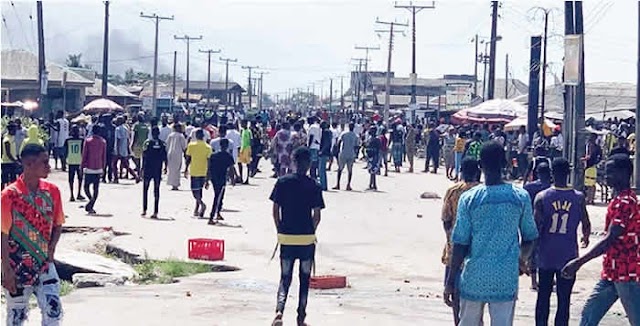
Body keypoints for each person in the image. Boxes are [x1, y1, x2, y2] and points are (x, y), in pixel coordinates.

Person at [444, 141, 538, 325]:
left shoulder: (469, 198)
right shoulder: (519, 197)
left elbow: (460, 243)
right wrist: (521, 259)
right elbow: (530, 237)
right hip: (505, 278)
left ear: (480, 166)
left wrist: (450, 281)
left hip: (473, 278)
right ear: (505, 163)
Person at [562, 154, 640, 326]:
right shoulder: (620, 199)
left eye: (610, 172)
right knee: (588, 316)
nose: (606, 175)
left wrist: (579, 262)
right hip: (612, 272)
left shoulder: (625, 202)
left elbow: (610, 239)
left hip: (626, 273)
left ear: (624, 173)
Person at [1, 144, 65, 326]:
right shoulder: (9, 196)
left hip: (45, 265)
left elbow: (58, 223)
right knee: (17, 316)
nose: (49, 166)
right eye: (44, 162)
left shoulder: (52, 192)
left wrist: (51, 248)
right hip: (17, 267)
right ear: (28, 163)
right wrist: (7, 271)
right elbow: (3, 235)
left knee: (53, 311)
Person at [270, 147, 325, 326]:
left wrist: (280, 230)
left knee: (285, 277)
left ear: (293, 161)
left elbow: (275, 210)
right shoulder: (314, 185)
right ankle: (301, 318)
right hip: (306, 239)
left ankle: (279, 311)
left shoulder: (282, 182)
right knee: (304, 279)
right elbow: (317, 216)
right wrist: (311, 230)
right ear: (309, 164)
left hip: (286, 237)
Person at [534, 158, 591, 326]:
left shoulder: (541, 197)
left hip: (546, 255)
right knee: (564, 299)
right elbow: (586, 223)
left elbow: (535, 228)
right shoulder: (578, 198)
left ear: (552, 174)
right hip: (568, 256)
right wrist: (585, 237)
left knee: (543, 296)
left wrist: (531, 254)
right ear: (568, 173)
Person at [441, 157, 480, 325]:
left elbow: (446, 220)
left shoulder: (453, 191)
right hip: (478, 252)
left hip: (454, 251)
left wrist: (451, 240)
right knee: (477, 298)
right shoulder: (483, 191)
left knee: (455, 296)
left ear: (462, 171)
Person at [523, 163, 552, 291]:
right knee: (547, 250)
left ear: (537, 173)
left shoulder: (529, 187)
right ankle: (548, 278)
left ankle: (534, 281)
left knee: (533, 251)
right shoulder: (551, 188)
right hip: (549, 223)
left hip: (532, 222)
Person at [206, 138, 237, 225]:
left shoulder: (213, 155)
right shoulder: (228, 156)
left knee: (219, 196)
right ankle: (211, 217)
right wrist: (233, 179)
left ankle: (217, 213)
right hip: (221, 178)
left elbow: (209, 168)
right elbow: (231, 169)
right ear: (227, 146)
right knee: (218, 197)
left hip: (213, 178)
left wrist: (207, 180)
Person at [141, 127, 167, 219]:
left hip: (148, 169)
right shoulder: (162, 144)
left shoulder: (147, 143)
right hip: (157, 169)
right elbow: (165, 157)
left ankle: (144, 209)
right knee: (156, 190)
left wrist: (142, 168)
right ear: (159, 133)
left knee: (145, 189)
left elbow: (144, 156)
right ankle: (155, 211)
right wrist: (165, 168)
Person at [185, 129, 212, 218]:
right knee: (199, 190)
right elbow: (209, 161)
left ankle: (201, 204)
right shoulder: (208, 147)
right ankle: (197, 209)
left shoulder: (191, 145)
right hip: (203, 171)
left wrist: (185, 169)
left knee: (194, 190)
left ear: (196, 136)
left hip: (195, 171)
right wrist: (208, 175)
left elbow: (188, 159)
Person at [81, 124, 107, 215]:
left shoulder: (88, 141)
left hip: (89, 167)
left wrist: (82, 166)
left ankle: (90, 200)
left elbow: (84, 155)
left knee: (86, 187)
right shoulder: (103, 142)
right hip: (98, 167)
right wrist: (103, 168)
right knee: (96, 188)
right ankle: (91, 204)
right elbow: (104, 156)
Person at [333, 123, 358, 191]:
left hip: (343, 153)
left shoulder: (344, 134)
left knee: (340, 169)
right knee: (350, 170)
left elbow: (338, 142)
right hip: (351, 154)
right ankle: (348, 185)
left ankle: (338, 184)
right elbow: (357, 146)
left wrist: (337, 150)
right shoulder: (355, 136)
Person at [113, 116, 138, 183]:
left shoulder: (117, 129)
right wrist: (128, 149)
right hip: (124, 149)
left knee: (114, 164)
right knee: (126, 165)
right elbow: (127, 140)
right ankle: (135, 176)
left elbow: (118, 140)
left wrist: (117, 151)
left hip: (118, 150)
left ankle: (116, 178)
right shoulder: (126, 128)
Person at [64, 125, 85, 202]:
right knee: (80, 178)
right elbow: (83, 151)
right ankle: (79, 193)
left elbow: (65, 151)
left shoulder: (68, 140)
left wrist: (65, 160)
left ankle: (72, 195)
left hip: (71, 161)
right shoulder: (82, 140)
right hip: (79, 161)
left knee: (71, 179)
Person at [165, 123, 187, 190]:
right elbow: (184, 146)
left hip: (170, 153)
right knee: (177, 169)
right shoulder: (181, 136)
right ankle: (175, 184)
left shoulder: (170, 135)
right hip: (177, 153)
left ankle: (172, 183)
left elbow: (167, 145)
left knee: (171, 168)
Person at [582, 133, 602, 205]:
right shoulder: (585, 146)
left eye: (593, 137)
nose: (591, 138)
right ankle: (587, 198)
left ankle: (591, 199)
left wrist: (596, 162)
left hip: (592, 166)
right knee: (586, 184)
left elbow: (600, 157)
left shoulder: (597, 147)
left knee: (591, 184)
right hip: (584, 166)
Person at [2, 123, 19, 188]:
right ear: (11, 130)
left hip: (12, 162)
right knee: (4, 180)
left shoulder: (12, 137)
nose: (15, 131)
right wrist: (15, 161)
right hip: (7, 162)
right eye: (14, 130)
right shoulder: (7, 140)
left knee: (13, 180)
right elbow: (8, 153)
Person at [237, 120, 253, 185]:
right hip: (242, 148)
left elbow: (251, 140)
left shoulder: (249, 131)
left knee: (248, 164)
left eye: (242, 123)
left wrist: (250, 149)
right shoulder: (242, 131)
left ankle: (247, 179)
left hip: (247, 148)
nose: (241, 125)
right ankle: (241, 177)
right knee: (239, 163)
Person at [307, 117, 321, 181]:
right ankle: (314, 175)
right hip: (317, 146)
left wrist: (308, 146)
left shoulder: (312, 127)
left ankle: (313, 176)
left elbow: (311, 137)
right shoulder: (318, 126)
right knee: (315, 162)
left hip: (312, 147)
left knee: (312, 163)